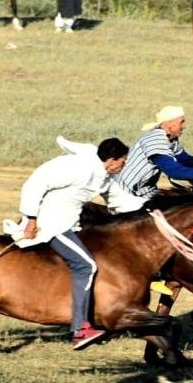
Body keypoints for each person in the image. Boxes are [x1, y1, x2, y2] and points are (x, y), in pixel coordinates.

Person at [12, 136, 130, 349]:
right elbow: (36, 182)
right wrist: (30, 218)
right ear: (112, 160)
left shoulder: (104, 175)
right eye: (123, 160)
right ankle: (80, 329)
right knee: (86, 266)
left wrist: (152, 210)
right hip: (51, 225)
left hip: (71, 224)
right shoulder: (80, 169)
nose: (125, 164)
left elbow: (120, 201)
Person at [115, 106, 193, 211]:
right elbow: (174, 171)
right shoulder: (155, 141)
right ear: (168, 124)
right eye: (181, 122)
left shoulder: (170, 139)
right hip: (127, 195)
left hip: (145, 193)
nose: (185, 126)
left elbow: (187, 161)